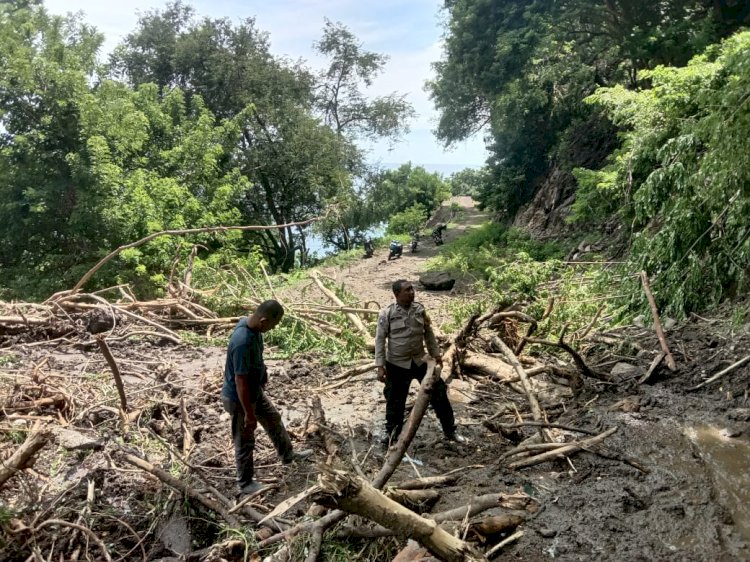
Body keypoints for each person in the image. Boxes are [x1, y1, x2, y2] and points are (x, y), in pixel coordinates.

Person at [222, 300, 311, 495]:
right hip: (240, 398)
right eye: (274, 324)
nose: (273, 328)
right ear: (263, 321)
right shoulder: (242, 341)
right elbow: (240, 381)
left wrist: (263, 375)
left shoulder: (253, 328)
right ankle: (245, 483)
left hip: (253, 391)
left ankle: (288, 456)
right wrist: (249, 413)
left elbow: (255, 363)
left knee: (273, 419)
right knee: (245, 439)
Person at [374, 280, 463, 446]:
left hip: (420, 361)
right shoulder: (387, 313)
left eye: (412, 289)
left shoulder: (420, 310)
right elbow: (380, 340)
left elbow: (428, 334)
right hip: (397, 364)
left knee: (439, 393)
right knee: (395, 401)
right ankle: (392, 435)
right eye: (407, 290)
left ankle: (450, 431)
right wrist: (380, 366)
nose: (412, 292)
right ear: (397, 294)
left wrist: (436, 356)